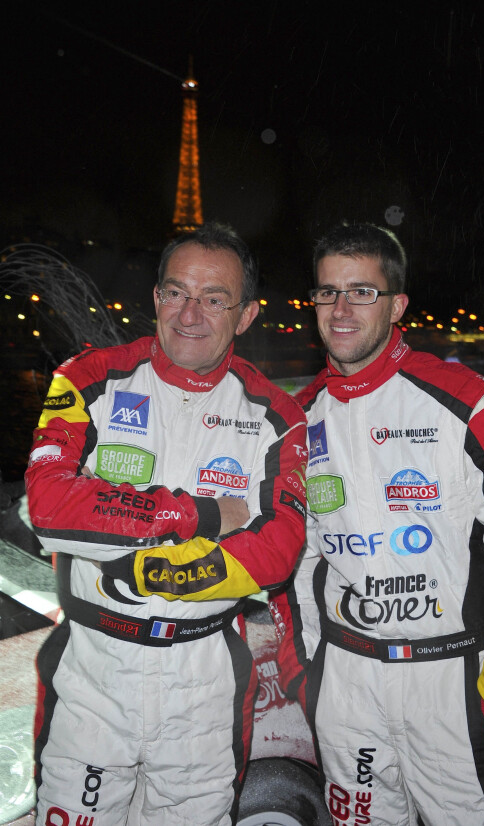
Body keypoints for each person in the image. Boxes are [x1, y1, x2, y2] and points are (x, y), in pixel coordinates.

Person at [269, 222, 484, 826]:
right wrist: (305, 673)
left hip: (449, 684)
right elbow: (293, 561)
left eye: (362, 291)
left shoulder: (467, 400)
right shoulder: (298, 419)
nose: (343, 309)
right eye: (328, 292)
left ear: (397, 304)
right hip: (346, 686)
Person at [26, 222, 308, 826]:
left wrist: (161, 570)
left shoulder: (276, 414)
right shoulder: (86, 379)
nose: (190, 313)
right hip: (94, 671)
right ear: (155, 298)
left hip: (204, 679)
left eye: (214, 298)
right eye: (176, 292)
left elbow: (280, 546)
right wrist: (198, 513)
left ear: (247, 314)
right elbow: (50, 507)